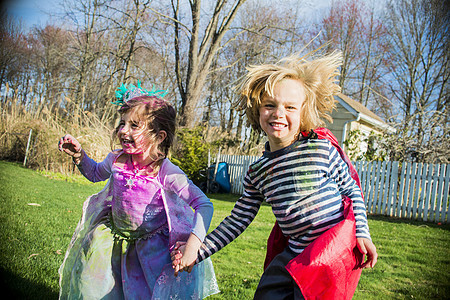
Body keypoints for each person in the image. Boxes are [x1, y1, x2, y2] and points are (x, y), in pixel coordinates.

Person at [171, 51, 378, 299]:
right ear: (257, 111)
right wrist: (199, 251)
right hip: (293, 254)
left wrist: (362, 233)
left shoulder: (320, 150)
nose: (279, 113)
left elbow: (351, 190)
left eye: (290, 107)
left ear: (303, 113)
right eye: (270, 105)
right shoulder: (259, 172)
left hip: (330, 253)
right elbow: (237, 220)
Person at [58, 82, 219, 299]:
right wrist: (79, 156)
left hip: (152, 250)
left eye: (134, 126)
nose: (123, 131)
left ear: (159, 136)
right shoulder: (116, 160)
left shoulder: (166, 172)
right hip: (112, 241)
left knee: (142, 293)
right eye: (122, 123)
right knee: (97, 290)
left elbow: (204, 204)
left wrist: (193, 245)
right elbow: (95, 174)